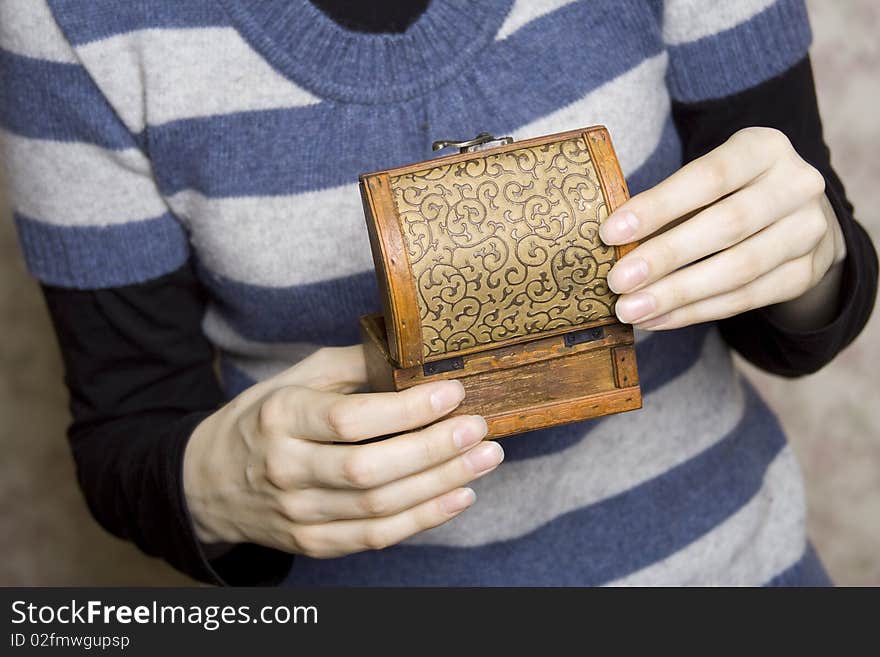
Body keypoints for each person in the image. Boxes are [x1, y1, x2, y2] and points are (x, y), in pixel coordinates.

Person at [0, 0, 876, 586]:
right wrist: (219, 480)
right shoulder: (64, 21)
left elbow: (801, 304)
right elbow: (128, 428)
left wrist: (810, 256)